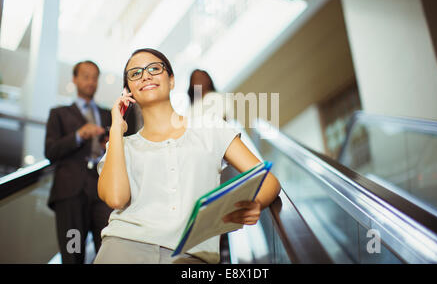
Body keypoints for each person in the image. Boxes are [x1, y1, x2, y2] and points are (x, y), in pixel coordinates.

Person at [93, 48, 281, 264]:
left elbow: (268, 181)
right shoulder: (121, 145)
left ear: (171, 80)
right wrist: (116, 128)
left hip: (191, 257)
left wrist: (254, 203)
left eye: (154, 68)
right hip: (121, 250)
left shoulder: (210, 127)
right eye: (135, 73)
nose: (145, 75)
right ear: (129, 92)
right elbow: (116, 198)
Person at [44, 61, 113, 264]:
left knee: (108, 248)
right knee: (72, 252)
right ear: (74, 79)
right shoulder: (59, 114)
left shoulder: (107, 114)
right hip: (71, 194)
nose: (91, 81)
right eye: (85, 76)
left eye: (94, 77)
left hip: (102, 191)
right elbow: (50, 151)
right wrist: (78, 135)